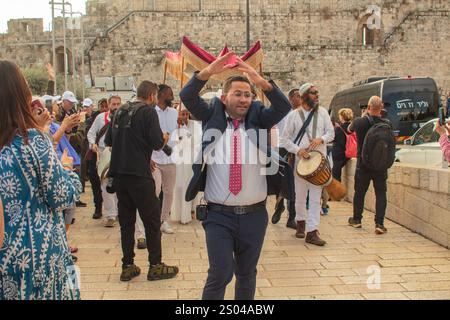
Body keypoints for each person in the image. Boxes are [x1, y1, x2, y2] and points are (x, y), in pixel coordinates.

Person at [180, 52, 292, 300]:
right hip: (218, 215)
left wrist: (259, 81)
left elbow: (284, 106)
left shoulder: (260, 118)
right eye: (237, 94)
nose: (243, 99)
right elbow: (187, 96)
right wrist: (208, 71)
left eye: (247, 95)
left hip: (255, 216)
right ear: (224, 98)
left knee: (246, 274)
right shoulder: (211, 116)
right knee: (220, 273)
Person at [0, 60, 81, 300]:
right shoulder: (32, 140)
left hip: (6, 253)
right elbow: (63, 195)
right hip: (41, 253)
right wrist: (66, 169)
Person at [105, 81, 178, 282]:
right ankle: (155, 265)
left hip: (120, 175)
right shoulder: (148, 112)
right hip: (139, 175)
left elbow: (108, 141)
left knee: (126, 223)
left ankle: (127, 266)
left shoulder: (120, 111)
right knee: (152, 221)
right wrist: (164, 137)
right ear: (152, 95)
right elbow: (156, 142)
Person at [280, 83, 335, 246]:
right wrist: (298, 151)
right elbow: (284, 139)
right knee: (300, 195)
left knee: (316, 198)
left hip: (319, 163)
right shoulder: (294, 115)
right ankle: (301, 223)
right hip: (300, 163)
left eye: (317, 92)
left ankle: (312, 231)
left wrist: (321, 139)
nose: (317, 95)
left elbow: (331, 133)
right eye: (313, 93)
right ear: (304, 96)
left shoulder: (323, 112)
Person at [348, 96, 393, 234]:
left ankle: (356, 220)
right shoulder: (387, 123)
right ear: (381, 108)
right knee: (381, 193)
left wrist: (363, 116)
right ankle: (379, 224)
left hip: (364, 165)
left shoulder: (360, 122)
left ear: (368, 107)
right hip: (380, 166)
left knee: (360, 193)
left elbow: (349, 130)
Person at [87, 94, 122, 227]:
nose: (116, 107)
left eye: (118, 104)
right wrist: (93, 144)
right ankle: (110, 215)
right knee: (105, 184)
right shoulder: (101, 118)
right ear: (109, 105)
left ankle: (119, 211)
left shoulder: (124, 118)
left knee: (119, 184)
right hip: (104, 153)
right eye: (114, 104)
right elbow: (91, 133)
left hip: (119, 154)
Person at [271, 88, 301, 229]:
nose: (301, 99)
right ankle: (279, 206)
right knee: (280, 181)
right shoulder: (283, 112)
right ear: (291, 98)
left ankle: (291, 217)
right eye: (298, 97)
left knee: (292, 184)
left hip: (296, 149)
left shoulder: (302, 114)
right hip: (281, 148)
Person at [151, 84, 178, 234]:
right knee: (154, 190)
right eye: (170, 94)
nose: (172, 97)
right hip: (154, 158)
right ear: (161, 95)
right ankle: (153, 219)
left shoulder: (174, 112)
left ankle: (164, 220)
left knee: (169, 191)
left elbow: (177, 133)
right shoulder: (150, 112)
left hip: (171, 158)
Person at [171, 105, 202, 224]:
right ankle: (180, 213)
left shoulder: (196, 125)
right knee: (180, 186)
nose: (184, 116)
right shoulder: (176, 126)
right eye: (182, 114)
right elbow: (173, 142)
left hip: (191, 160)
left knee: (190, 184)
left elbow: (197, 141)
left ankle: (191, 211)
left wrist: (184, 130)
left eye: (186, 114)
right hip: (180, 161)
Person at [332, 108, 354, 182]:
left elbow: (336, 141)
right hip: (348, 155)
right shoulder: (352, 128)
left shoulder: (339, 129)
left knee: (335, 176)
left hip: (339, 156)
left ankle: (338, 192)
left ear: (342, 117)